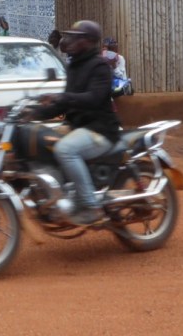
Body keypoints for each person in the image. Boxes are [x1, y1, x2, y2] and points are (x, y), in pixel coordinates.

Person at [25, 20, 121, 225]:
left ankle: (91, 205)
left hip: (100, 129)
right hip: (77, 126)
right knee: (38, 139)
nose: (68, 41)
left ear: (87, 42)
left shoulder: (100, 66)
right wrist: (33, 113)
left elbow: (94, 98)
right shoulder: (74, 66)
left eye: (75, 37)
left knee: (65, 150)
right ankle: (60, 194)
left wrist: (62, 98)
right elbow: (63, 105)